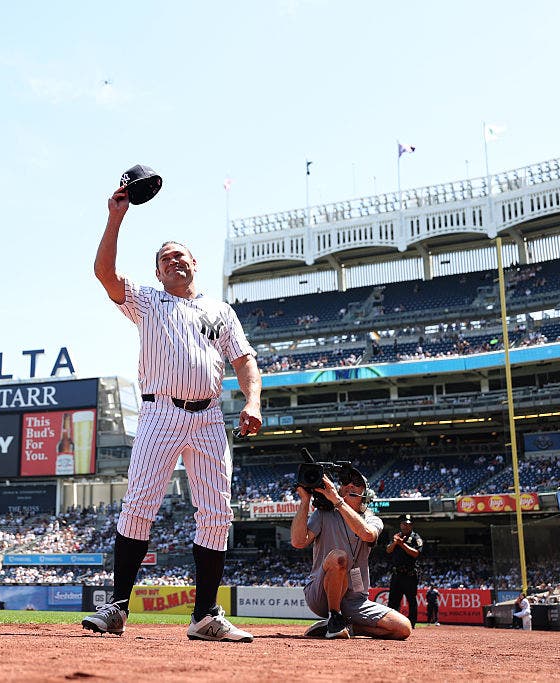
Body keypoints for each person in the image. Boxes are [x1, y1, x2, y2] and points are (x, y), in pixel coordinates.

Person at [80, 183, 261, 642]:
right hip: (160, 413)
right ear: (158, 273)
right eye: (165, 259)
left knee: (217, 513)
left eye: (181, 255)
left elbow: (244, 362)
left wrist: (253, 401)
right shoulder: (148, 300)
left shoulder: (221, 310)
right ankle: (118, 609)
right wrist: (116, 217)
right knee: (139, 505)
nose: (174, 261)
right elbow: (103, 274)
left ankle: (204, 617)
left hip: (208, 418)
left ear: (194, 264)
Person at [290, 469, 411, 640]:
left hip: (354, 600)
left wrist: (338, 501)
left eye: (356, 482)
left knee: (402, 628)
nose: (350, 485)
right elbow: (298, 542)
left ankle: (348, 626)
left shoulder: (373, 519)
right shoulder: (323, 514)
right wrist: (305, 501)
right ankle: (333, 617)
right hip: (320, 595)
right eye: (345, 481)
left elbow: (368, 534)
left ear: (365, 494)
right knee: (339, 557)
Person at [386, 513, 424, 628]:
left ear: (411, 526)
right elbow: (388, 550)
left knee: (411, 601)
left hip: (410, 575)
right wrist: (395, 543)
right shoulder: (396, 536)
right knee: (393, 602)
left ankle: (411, 625)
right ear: (400, 525)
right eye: (403, 524)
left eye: (407, 524)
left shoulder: (416, 538)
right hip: (397, 574)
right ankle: (391, 624)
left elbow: (416, 553)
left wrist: (402, 544)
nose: (405, 526)